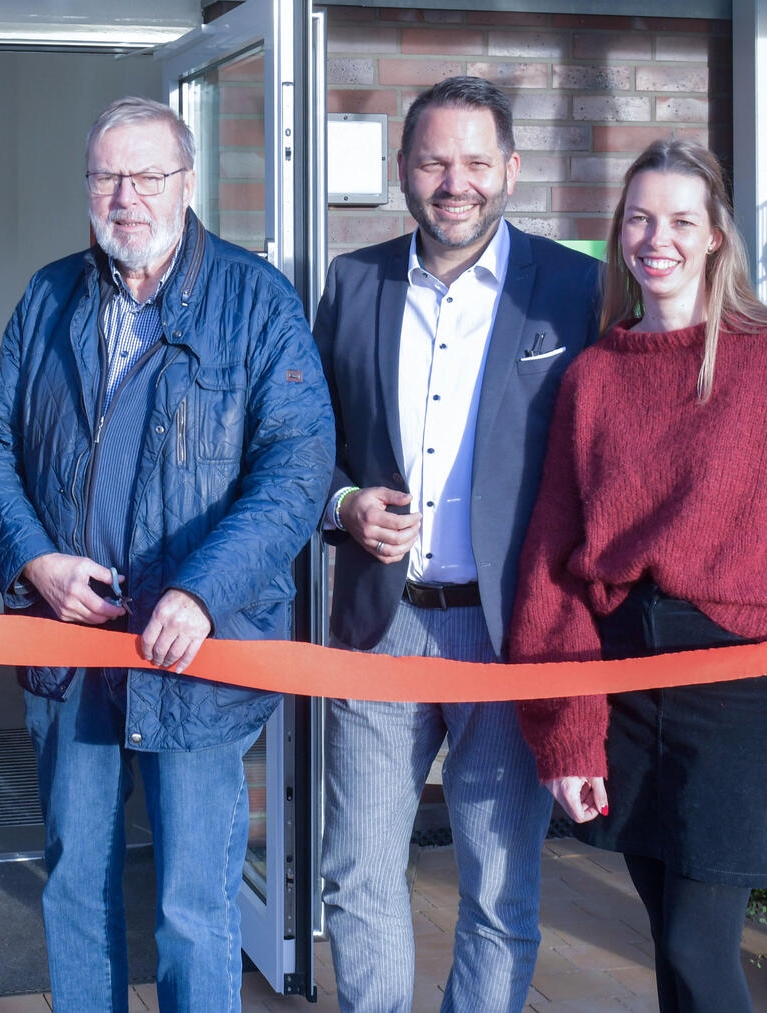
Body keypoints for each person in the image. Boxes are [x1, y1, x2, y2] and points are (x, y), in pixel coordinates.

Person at [0, 96, 333, 1012]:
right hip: (73, 653)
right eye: (106, 177)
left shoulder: (256, 301)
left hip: (196, 660)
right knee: (73, 888)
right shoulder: (49, 296)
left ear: (187, 182)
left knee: (190, 904)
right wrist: (35, 561)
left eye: (147, 176)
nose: (125, 197)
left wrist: (205, 593)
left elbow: (297, 468)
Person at [313, 75, 602, 1012]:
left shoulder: (574, 289)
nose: (455, 181)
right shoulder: (353, 283)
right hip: (378, 626)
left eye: (477, 161)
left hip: (509, 633)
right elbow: (305, 448)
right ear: (403, 169)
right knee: (356, 878)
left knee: (497, 889)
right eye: (434, 159)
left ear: (511, 169)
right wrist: (346, 502)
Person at [511, 138, 767, 1013]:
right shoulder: (593, 376)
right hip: (623, 681)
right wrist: (567, 727)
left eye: (681, 220)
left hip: (735, 688)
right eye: (640, 218)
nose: (656, 237)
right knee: (671, 945)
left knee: (701, 944)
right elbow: (555, 561)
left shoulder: (761, 365)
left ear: (715, 239)